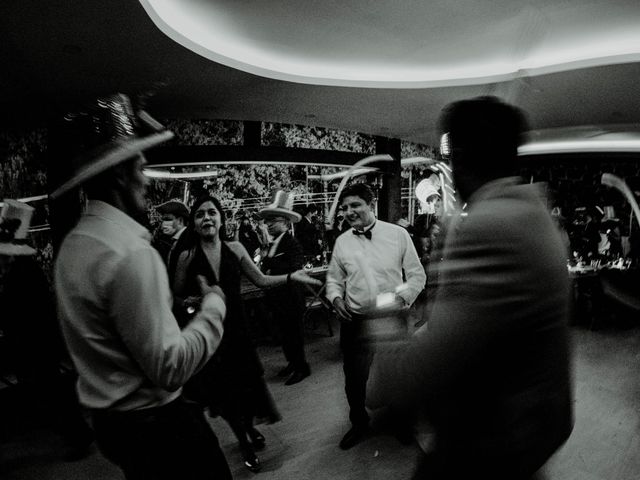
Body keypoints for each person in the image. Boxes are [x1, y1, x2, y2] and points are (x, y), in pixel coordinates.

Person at [367, 96, 573, 480]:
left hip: (487, 446)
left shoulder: (489, 226)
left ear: (458, 156)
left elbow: (425, 368)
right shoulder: (533, 212)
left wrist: (381, 324)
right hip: (530, 430)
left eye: (448, 158)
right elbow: (487, 325)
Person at [51, 93, 232, 480]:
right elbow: (170, 368)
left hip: (113, 425)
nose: (146, 181)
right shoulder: (131, 253)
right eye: (141, 167)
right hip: (159, 427)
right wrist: (214, 308)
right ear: (120, 173)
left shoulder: (74, 245)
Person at [173, 194, 321, 472]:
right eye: (200, 214)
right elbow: (175, 296)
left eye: (212, 213)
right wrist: (190, 302)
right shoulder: (186, 255)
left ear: (220, 218)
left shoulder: (236, 248)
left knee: (246, 386)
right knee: (224, 392)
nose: (207, 218)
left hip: (239, 331)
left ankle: (248, 429)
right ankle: (243, 440)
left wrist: (291, 276)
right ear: (194, 223)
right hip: (209, 334)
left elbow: (262, 280)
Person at [325, 182, 426, 450]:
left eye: (355, 205)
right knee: (354, 377)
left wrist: (403, 298)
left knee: (398, 374)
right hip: (355, 321)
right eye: (345, 207)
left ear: (371, 205)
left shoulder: (398, 234)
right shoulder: (342, 242)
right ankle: (359, 424)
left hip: (391, 316)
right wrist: (335, 298)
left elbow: (417, 275)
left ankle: (402, 423)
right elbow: (334, 279)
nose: (348, 212)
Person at [0, 200, 94, 461]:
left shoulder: (22, 273)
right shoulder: (23, 269)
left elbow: (27, 313)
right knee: (53, 394)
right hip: (37, 344)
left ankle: (78, 436)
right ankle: (76, 434)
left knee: (52, 394)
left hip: (36, 345)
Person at [259, 190, 311, 386]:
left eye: (273, 220)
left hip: (291, 298)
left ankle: (302, 368)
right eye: (268, 220)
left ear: (285, 223)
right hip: (277, 299)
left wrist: (272, 269)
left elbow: (295, 267)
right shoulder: (273, 244)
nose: (269, 224)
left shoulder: (292, 243)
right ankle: (292, 362)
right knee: (285, 335)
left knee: (294, 335)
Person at [153, 199, 190, 280]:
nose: (163, 225)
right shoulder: (170, 240)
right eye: (163, 220)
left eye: (168, 219)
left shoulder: (189, 241)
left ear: (180, 221)